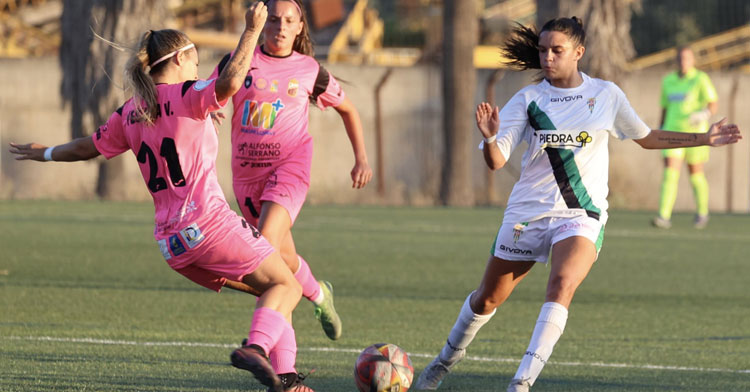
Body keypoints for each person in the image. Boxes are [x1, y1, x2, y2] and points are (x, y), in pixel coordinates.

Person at [413, 17, 741, 392]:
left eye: (556, 50)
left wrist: (704, 137)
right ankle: (445, 361)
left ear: (578, 53)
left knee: (563, 282)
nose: (547, 58)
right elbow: (497, 161)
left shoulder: (606, 95)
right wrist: (490, 139)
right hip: (528, 213)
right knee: (487, 298)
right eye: (542, 51)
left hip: (581, 213)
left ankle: (521, 383)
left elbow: (647, 137)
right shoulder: (529, 100)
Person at [9, 4, 314, 392]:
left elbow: (89, 147)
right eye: (196, 63)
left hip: (173, 246)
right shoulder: (187, 95)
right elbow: (231, 82)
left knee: (272, 293)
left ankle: (285, 380)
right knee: (288, 287)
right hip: (209, 225)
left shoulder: (131, 111)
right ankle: (254, 350)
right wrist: (252, 30)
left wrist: (46, 152)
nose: (198, 71)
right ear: (183, 58)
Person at [210, 0, 372, 353]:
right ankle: (317, 295)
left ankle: (259, 344)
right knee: (282, 265)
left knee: (263, 248)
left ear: (300, 27)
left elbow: (348, 109)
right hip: (246, 179)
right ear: (259, 21)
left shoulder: (310, 70)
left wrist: (361, 158)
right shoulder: (239, 61)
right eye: (274, 20)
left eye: (289, 21)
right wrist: (211, 113)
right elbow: (207, 97)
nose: (280, 27)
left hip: (289, 170)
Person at [652, 46, 718, 229]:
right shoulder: (668, 81)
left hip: (695, 135)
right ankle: (663, 216)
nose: (683, 62)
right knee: (670, 174)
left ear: (693, 60)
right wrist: (660, 128)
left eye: (687, 58)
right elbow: (664, 107)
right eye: (680, 58)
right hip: (672, 134)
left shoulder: (700, 79)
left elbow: (713, 103)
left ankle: (702, 213)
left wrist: (704, 114)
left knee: (696, 174)